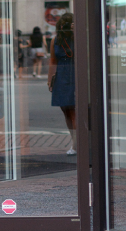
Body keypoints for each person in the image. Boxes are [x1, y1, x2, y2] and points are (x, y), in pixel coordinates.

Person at [48, 13, 76, 155]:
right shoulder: (55, 41)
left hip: (74, 74)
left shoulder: (77, 38)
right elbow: (53, 61)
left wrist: (76, 31)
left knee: (74, 112)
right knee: (65, 110)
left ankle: (77, 144)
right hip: (61, 77)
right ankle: (74, 140)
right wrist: (50, 80)